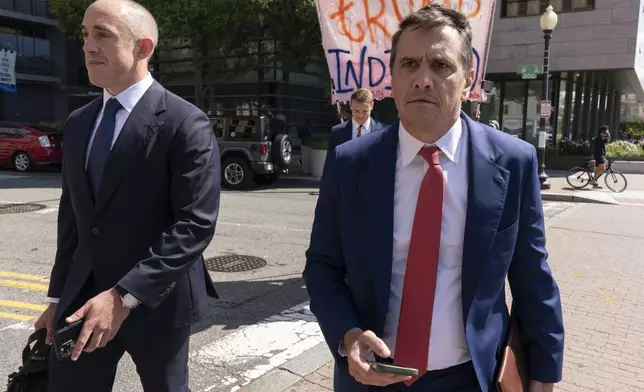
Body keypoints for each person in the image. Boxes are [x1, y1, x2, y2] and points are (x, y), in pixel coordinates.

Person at [303, 5, 564, 392]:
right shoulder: (350, 163)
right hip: (372, 378)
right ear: (391, 76)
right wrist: (347, 335)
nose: (422, 79)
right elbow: (322, 266)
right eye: (408, 64)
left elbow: (532, 277)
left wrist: (544, 374)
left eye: (440, 66)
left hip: (472, 378)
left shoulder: (513, 161)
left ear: (468, 76)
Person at [33, 1, 220, 391]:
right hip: (82, 295)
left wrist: (123, 296)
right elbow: (73, 217)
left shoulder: (185, 122)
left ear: (143, 47)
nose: (87, 46)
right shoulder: (80, 122)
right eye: (85, 34)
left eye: (103, 34)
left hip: (158, 301)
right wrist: (57, 296)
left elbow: (194, 224)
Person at [324, 89, 387, 172]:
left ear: (372, 105)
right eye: (356, 111)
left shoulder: (384, 132)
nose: (360, 115)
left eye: (365, 111)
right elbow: (329, 166)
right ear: (350, 105)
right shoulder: (337, 132)